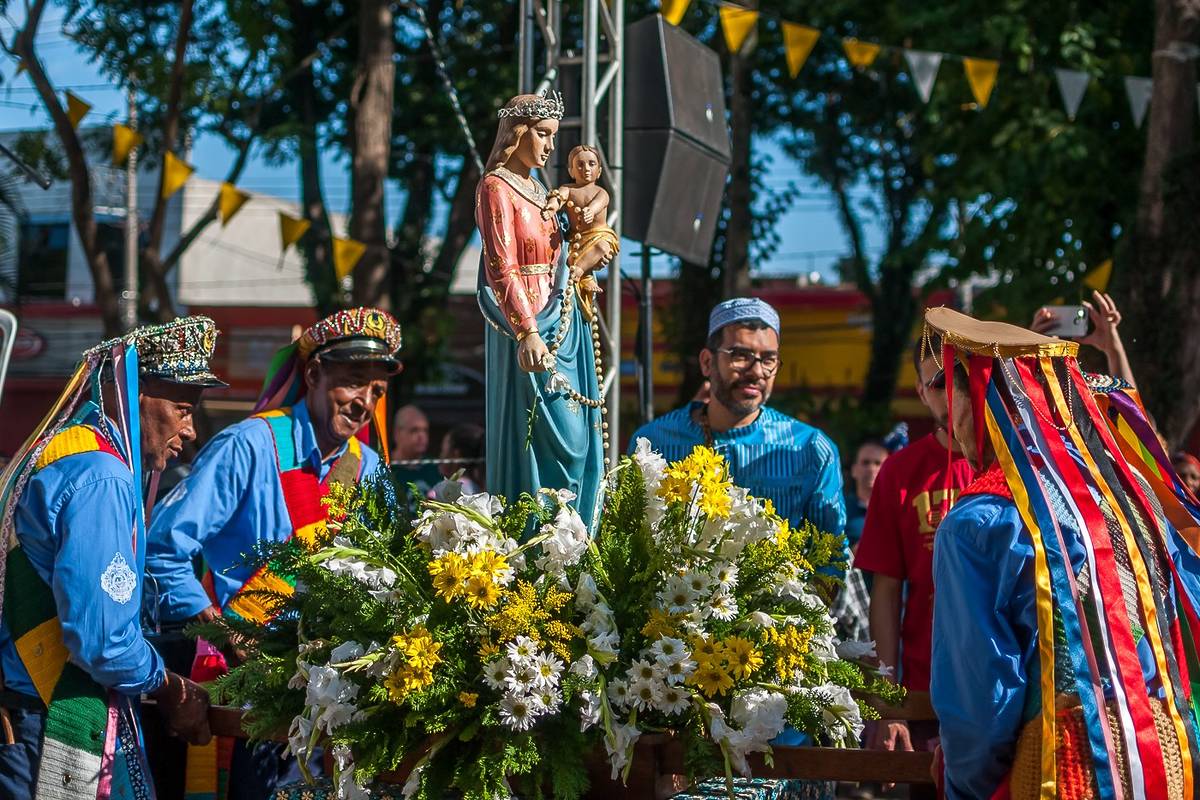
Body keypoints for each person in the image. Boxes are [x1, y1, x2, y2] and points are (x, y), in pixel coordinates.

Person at [926, 307, 1200, 797]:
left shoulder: (976, 522)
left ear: (984, 402)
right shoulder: (1132, 498)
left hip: (1062, 765)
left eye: (953, 399)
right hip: (1164, 757)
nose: (951, 420)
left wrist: (964, 784)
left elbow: (980, 702)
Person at [145, 307, 401, 800]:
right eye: (352, 383)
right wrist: (225, 630)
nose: (364, 402)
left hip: (332, 699)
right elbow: (160, 550)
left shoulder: (368, 469)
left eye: (377, 392)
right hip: (244, 684)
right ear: (312, 375)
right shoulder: (249, 446)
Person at [0, 317, 221, 799]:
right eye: (182, 409)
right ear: (139, 397)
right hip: (48, 717)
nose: (189, 430)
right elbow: (103, 641)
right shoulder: (104, 476)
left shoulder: (65, 448)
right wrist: (170, 689)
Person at [475, 90, 605, 529]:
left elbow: (562, 255)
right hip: (527, 327)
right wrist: (527, 331)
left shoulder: (542, 190)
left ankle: (574, 538)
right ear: (518, 133)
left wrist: (587, 257)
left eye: (553, 135)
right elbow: (500, 266)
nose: (551, 146)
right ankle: (534, 542)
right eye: (544, 134)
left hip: (564, 319)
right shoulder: (496, 187)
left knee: (577, 441)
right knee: (536, 442)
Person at [853, 334, 976, 774]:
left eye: (961, 376)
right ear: (922, 393)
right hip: (928, 701)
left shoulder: (1020, 464)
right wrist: (886, 704)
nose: (953, 392)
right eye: (939, 382)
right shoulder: (900, 472)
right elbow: (885, 593)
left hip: (1013, 699)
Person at [630, 297, 846, 541]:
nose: (756, 372)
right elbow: (631, 538)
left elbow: (832, 557)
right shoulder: (653, 444)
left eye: (768, 360)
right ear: (707, 362)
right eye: (740, 355)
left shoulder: (810, 449)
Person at [542, 143, 618, 322]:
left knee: (602, 247)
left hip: (599, 234)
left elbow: (598, 203)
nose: (586, 169)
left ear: (599, 171)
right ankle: (585, 277)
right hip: (576, 239)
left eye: (592, 164)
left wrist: (590, 210)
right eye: (580, 165)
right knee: (569, 257)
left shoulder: (601, 192)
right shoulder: (568, 189)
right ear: (571, 170)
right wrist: (553, 206)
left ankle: (580, 271)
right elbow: (558, 196)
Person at [830, 439, 888, 647]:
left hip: (892, 607)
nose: (871, 468)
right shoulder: (837, 510)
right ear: (854, 470)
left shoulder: (898, 512)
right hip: (850, 607)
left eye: (878, 463)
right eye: (865, 462)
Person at [391, 404, 441, 494]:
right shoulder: (385, 468)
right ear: (397, 433)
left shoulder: (435, 468)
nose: (421, 436)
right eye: (414, 430)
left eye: (425, 430)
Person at [430, 423, 486, 498]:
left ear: (456, 455)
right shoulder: (481, 488)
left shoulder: (446, 491)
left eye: (443, 450)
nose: (440, 456)